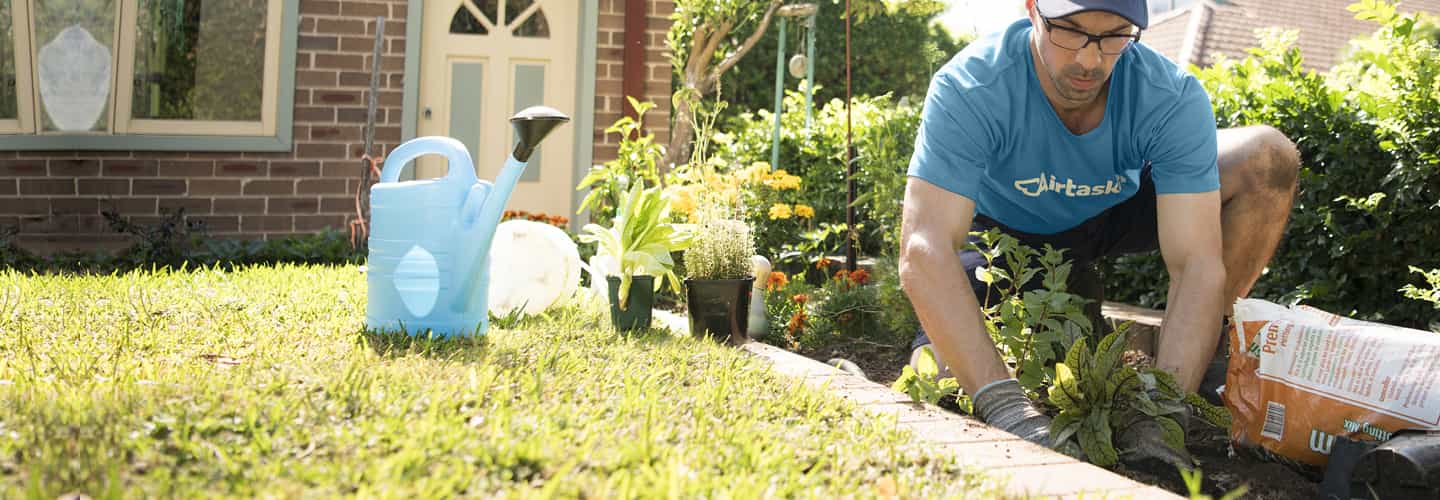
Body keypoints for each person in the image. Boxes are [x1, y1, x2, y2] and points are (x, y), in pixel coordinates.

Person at [898, 0, 1299, 466]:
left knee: (1268, 157)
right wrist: (1009, 413)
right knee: (942, 377)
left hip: (1107, 215)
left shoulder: (1168, 95)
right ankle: (1062, 310)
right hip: (998, 233)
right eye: (1069, 31)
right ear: (1032, 10)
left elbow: (1196, 262)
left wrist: (1162, 413)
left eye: (1114, 35)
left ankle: (1204, 357)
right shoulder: (973, 85)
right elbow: (924, 249)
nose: (1090, 60)